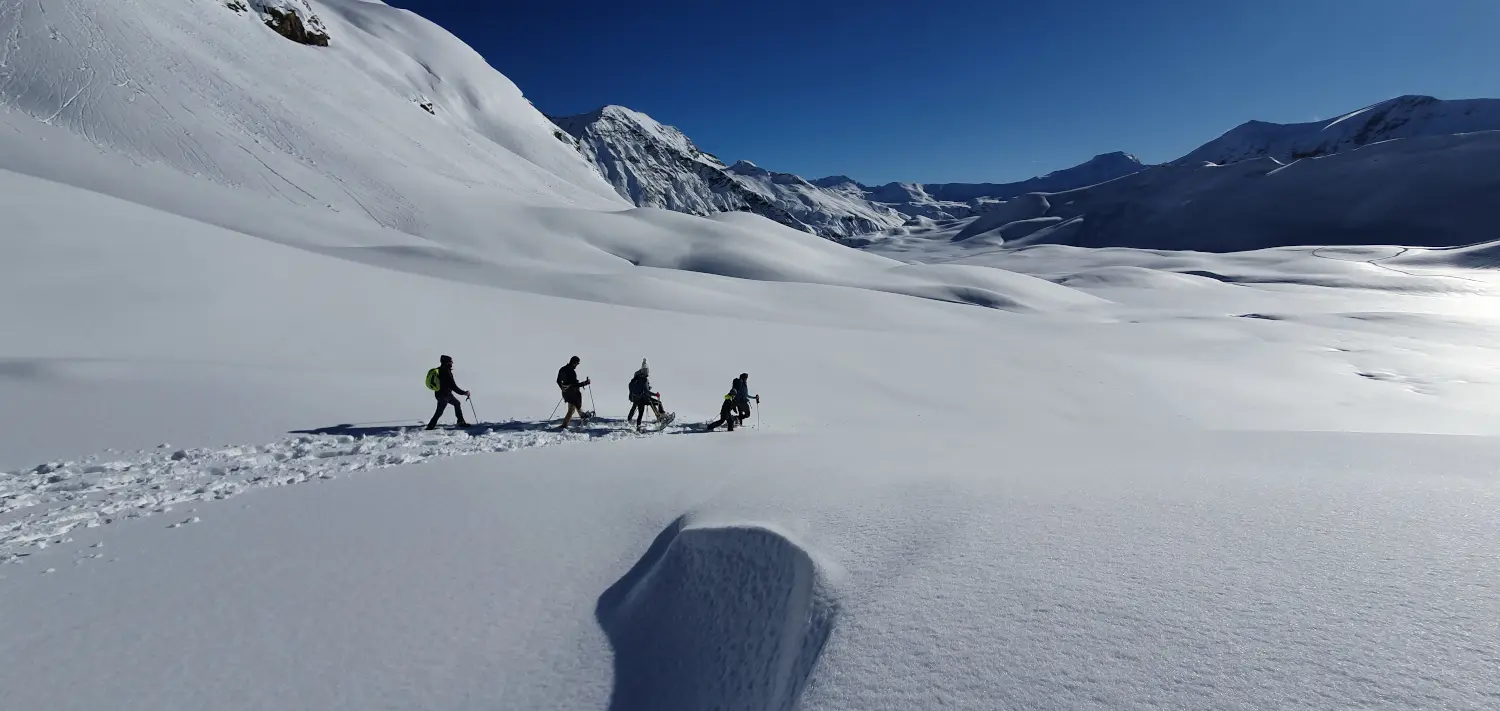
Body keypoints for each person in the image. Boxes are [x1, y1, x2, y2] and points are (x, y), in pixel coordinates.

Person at [426, 355, 471, 430]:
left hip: (441, 394)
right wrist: (464, 393)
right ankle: (430, 427)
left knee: (457, 403)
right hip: (444, 395)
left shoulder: (439, 370)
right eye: (451, 361)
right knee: (439, 412)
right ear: (447, 362)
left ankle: (460, 421)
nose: (452, 363)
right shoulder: (446, 372)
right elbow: (453, 386)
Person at [627, 359, 667, 430]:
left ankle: (635, 424)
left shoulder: (637, 378)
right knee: (657, 403)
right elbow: (646, 391)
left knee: (640, 412)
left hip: (636, 398)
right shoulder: (644, 379)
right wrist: (655, 394)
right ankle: (662, 417)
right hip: (643, 398)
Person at [556, 355, 592, 431]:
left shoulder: (562, 369)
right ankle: (564, 425)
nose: (577, 365)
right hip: (573, 393)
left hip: (566, 393)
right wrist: (585, 383)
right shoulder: (571, 372)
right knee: (571, 409)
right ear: (574, 363)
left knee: (574, 405)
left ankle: (582, 415)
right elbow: (574, 385)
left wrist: (564, 388)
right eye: (577, 363)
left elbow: (558, 381)